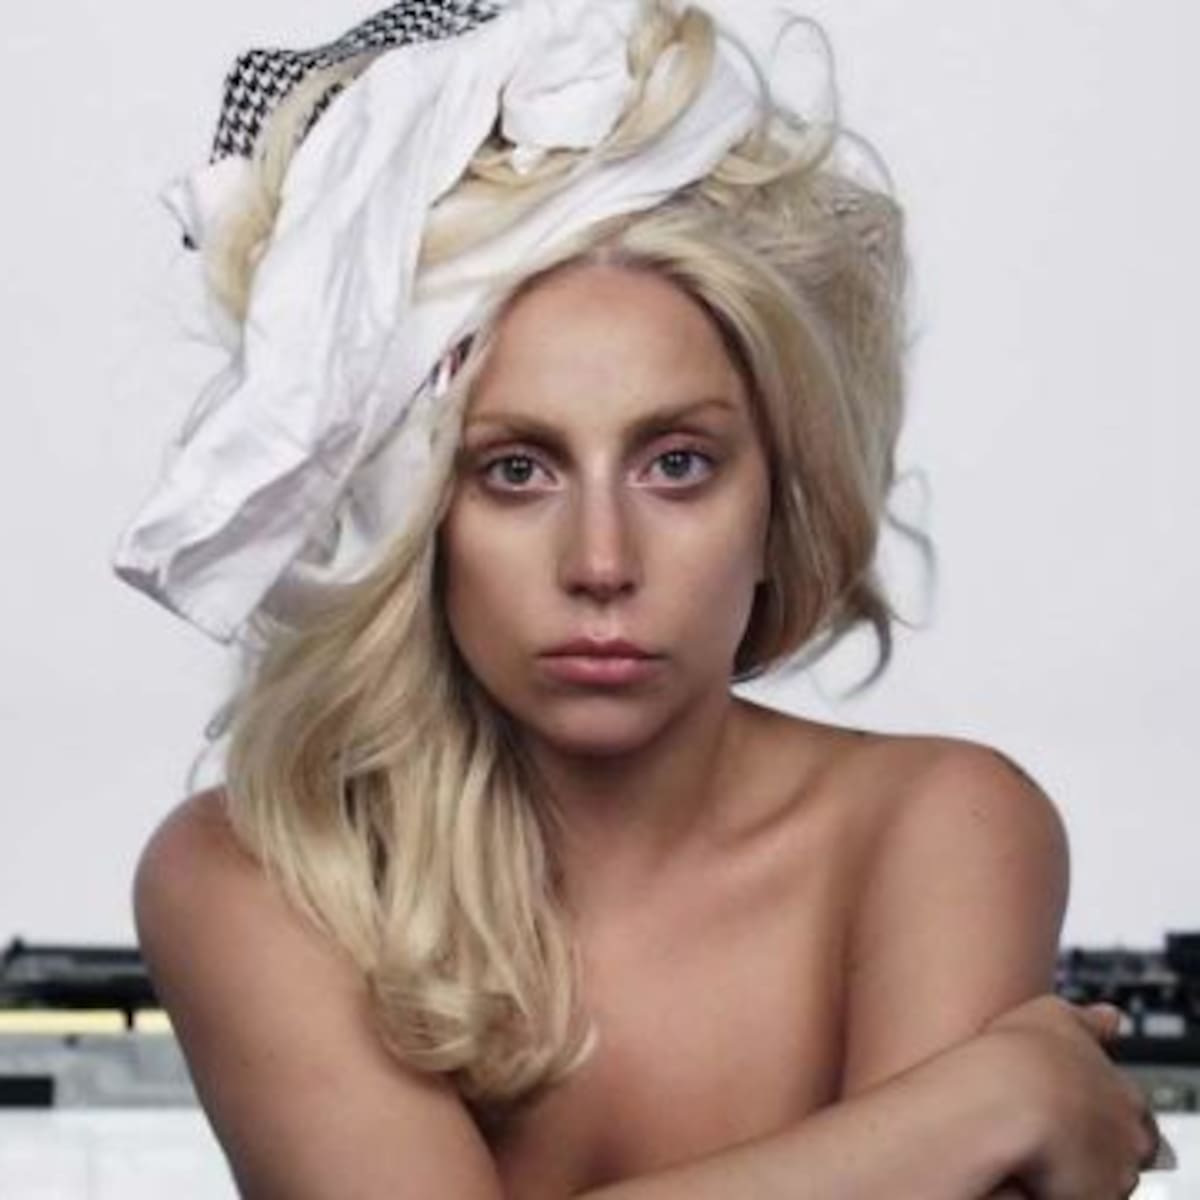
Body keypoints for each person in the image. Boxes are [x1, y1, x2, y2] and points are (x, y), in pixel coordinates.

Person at [115, 1, 1166, 1196]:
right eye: (516, 471)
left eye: (677, 464)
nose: (602, 561)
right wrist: (978, 1108)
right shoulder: (256, 876)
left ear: (778, 499)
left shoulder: (940, 830)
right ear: (415, 520)